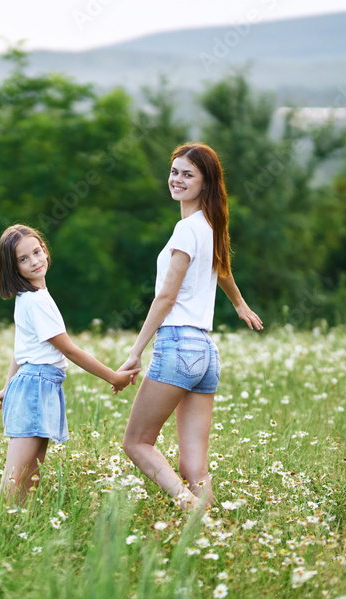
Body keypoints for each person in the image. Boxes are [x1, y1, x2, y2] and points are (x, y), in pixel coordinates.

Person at [117, 142, 263, 514]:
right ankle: (213, 532)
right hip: (205, 354)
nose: (177, 180)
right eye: (175, 172)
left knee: (136, 443)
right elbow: (223, 270)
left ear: (205, 183)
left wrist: (135, 353)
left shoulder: (186, 230)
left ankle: (190, 508)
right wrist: (239, 303)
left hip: (179, 345)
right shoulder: (210, 228)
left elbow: (166, 298)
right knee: (193, 467)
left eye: (188, 175)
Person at [0, 224, 138, 505]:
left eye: (37, 252)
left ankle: (16, 528)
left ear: (45, 251)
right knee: (17, 476)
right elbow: (70, 351)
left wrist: (8, 388)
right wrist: (113, 377)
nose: (35, 261)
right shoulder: (35, 301)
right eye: (23, 259)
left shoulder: (30, 298)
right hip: (35, 385)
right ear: (12, 268)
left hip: (37, 385)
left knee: (31, 474)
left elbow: (21, 351)